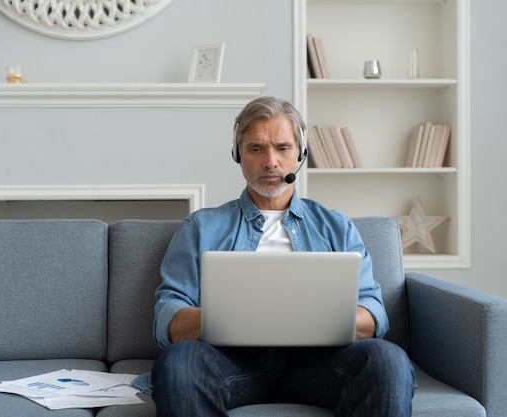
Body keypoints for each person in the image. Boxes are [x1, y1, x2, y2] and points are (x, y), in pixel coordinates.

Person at [150, 96, 415, 416]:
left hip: (319, 366)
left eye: (283, 148)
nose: (270, 161)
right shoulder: (200, 227)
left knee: (387, 359)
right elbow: (169, 319)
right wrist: (232, 317)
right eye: (256, 149)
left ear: (300, 155)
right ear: (238, 155)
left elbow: (373, 316)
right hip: (231, 364)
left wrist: (314, 316)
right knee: (178, 363)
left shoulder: (336, 226)